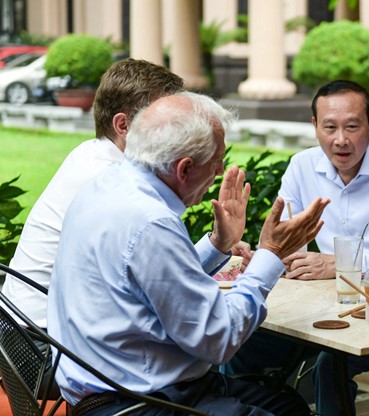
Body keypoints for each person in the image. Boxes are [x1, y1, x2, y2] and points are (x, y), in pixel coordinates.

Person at [47, 91, 330, 415]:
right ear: (184, 169)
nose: (220, 170)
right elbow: (217, 338)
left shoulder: (109, 184)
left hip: (118, 382)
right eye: (216, 162)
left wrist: (218, 244)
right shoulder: (150, 221)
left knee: (288, 404)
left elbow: (158, 282)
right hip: (138, 403)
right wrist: (271, 254)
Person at [225, 79, 369, 415]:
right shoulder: (302, 166)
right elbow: (289, 239)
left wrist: (342, 264)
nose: (341, 140)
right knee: (239, 342)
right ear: (314, 126)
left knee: (329, 362)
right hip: (316, 301)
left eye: (352, 126)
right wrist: (264, 255)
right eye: (330, 127)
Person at [2, 58, 184, 328]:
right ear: (123, 126)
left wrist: (217, 244)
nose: (181, 133)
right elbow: (170, 290)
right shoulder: (112, 183)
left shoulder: (90, 153)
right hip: (49, 341)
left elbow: (166, 276)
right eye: (167, 122)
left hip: (23, 334)